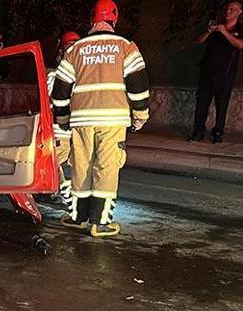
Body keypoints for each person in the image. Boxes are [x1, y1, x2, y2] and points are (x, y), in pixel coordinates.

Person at [51, 0, 150, 237]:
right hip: (112, 118)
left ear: (92, 19)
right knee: (107, 166)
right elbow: (138, 85)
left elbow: (61, 91)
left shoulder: (76, 49)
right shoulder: (125, 46)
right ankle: (100, 222)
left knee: (81, 166)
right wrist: (140, 115)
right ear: (114, 19)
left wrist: (63, 119)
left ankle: (78, 218)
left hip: (82, 119)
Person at [188, 1, 243, 144]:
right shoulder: (216, 27)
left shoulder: (240, 29)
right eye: (227, 8)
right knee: (202, 103)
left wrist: (224, 31)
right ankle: (197, 132)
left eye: (232, 9)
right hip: (207, 71)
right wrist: (208, 31)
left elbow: (240, 45)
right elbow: (198, 41)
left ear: (239, 12)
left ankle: (218, 133)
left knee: (222, 104)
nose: (228, 11)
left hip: (225, 74)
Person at [47, 31, 81, 209]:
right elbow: (54, 97)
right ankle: (69, 201)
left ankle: (68, 195)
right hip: (60, 125)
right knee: (61, 162)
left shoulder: (83, 74)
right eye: (68, 49)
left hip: (77, 125)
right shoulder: (54, 75)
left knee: (76, 163)